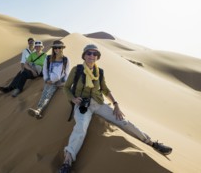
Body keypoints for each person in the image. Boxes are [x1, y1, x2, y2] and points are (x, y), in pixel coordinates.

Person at [58, 44, 172, 173]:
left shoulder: (99, 72)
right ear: (84, 55)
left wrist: (116, 104)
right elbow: (66, 87)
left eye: (95, 54)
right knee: (81, 128)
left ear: (97, 57)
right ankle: (67, 162)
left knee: (123, 121)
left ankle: (151, 143)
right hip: (83, 105)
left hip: (99, 103)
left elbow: (105, 89)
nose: (92, 56)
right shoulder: (77, 70)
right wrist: (73, 99)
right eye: (89, 53)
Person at [28, 40, 70, 119]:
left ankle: (38, 110)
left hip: (60, 82)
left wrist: (64, 82)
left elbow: (67, 72)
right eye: (55, 48)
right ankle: (38, 110)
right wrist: (46, 79)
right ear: (53, 49)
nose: (57, 49)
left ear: (62, 48)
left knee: (48, 94)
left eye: (59, 47)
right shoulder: (48, 58)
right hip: (49, 80)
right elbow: (45, 70)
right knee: (46, 93)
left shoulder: (66, 59)